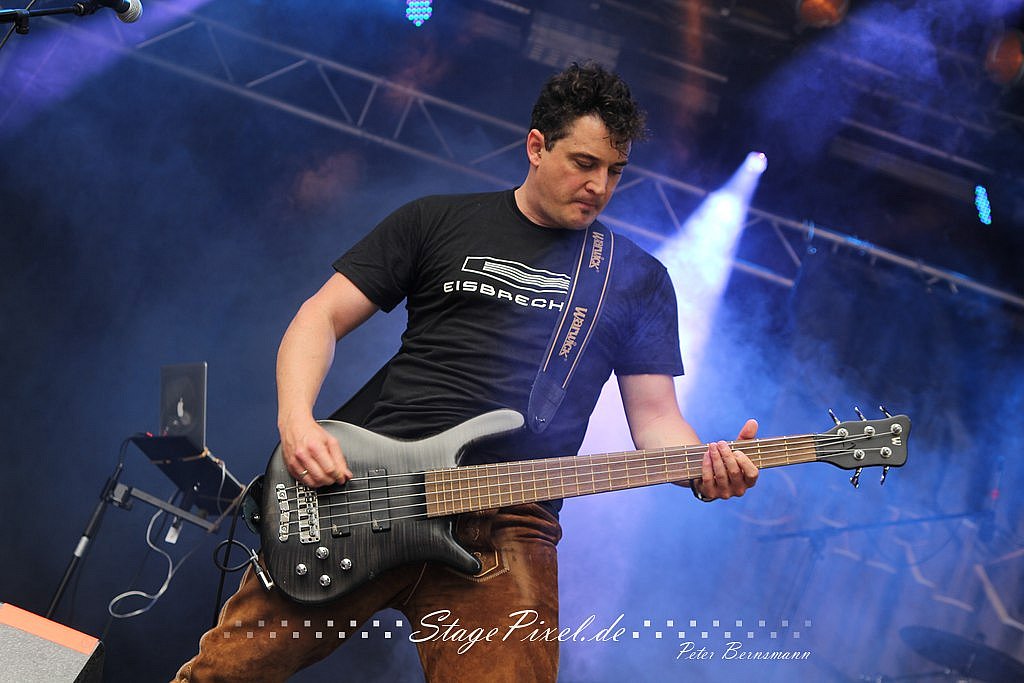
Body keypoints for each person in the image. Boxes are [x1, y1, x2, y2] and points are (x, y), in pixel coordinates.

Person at [173, 61, 759, 683]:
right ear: (537, 146)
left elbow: (658, 419)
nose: (598, 185)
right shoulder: (436, 220)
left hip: (508, 522)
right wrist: (297, 422)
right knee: (222, 675)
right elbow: (319, 316)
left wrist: (703, 469)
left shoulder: (636, 279)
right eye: (584, 162)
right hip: (365, 490)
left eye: (614, 171)